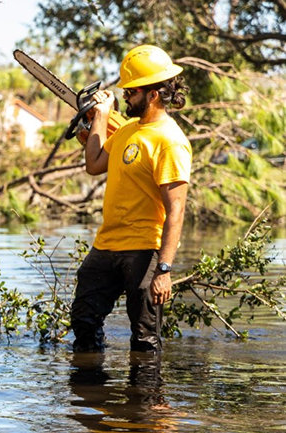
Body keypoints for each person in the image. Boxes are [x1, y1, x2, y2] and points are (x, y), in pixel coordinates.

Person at [70, 45, 192, 353]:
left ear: (153, 94)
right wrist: (100, 116)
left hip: (144, 250)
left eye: (131, 91)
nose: (124, 96)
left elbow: (176, 209)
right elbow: (94, 164)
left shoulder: (170, 141)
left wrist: (164, 269)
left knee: (144, 339)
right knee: (84, 320)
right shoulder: (127, 131)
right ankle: (90, 382)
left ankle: (146, 386)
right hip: (106, 245)